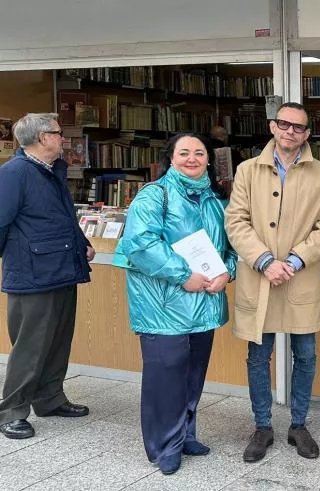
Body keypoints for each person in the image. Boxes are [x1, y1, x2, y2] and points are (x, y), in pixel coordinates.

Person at [225, 102, 320, 462]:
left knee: (305, 354)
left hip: (299, 276)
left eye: (298, 127)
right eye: (284, 124)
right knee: (258, 357)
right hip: (259, 277)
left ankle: (298, 425)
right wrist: (264, 260)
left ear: (307, 134)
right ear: (272, 127)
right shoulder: (247, 170)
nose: (290, 131)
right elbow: (235, 221)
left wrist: (293, 260)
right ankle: (262, 426)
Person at [115, 133, 237, 475]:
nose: (192, 158)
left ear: (209, 160)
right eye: (184, 153)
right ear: (171, 159)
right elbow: (140, 244)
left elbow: (231, 248)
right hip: (162, 305)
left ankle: (184, 435)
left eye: (199, 153)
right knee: (165, 377)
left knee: (193, 374)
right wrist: (183, 275)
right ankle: (164, 446)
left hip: (204, 302)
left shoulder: (217, 201)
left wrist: (227, 272)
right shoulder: (155, 195)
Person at [0, 113, 95, 440]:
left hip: (62, 268)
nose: (63, 138)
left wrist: (82, 244)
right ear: (42, 138)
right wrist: (16, 260)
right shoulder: (14, 173)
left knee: (57, 340)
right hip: (32, 274)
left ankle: (50, 399)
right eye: (57, 133)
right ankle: (12, 411)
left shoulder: (52, 169)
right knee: (31, 345)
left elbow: (64, 218)